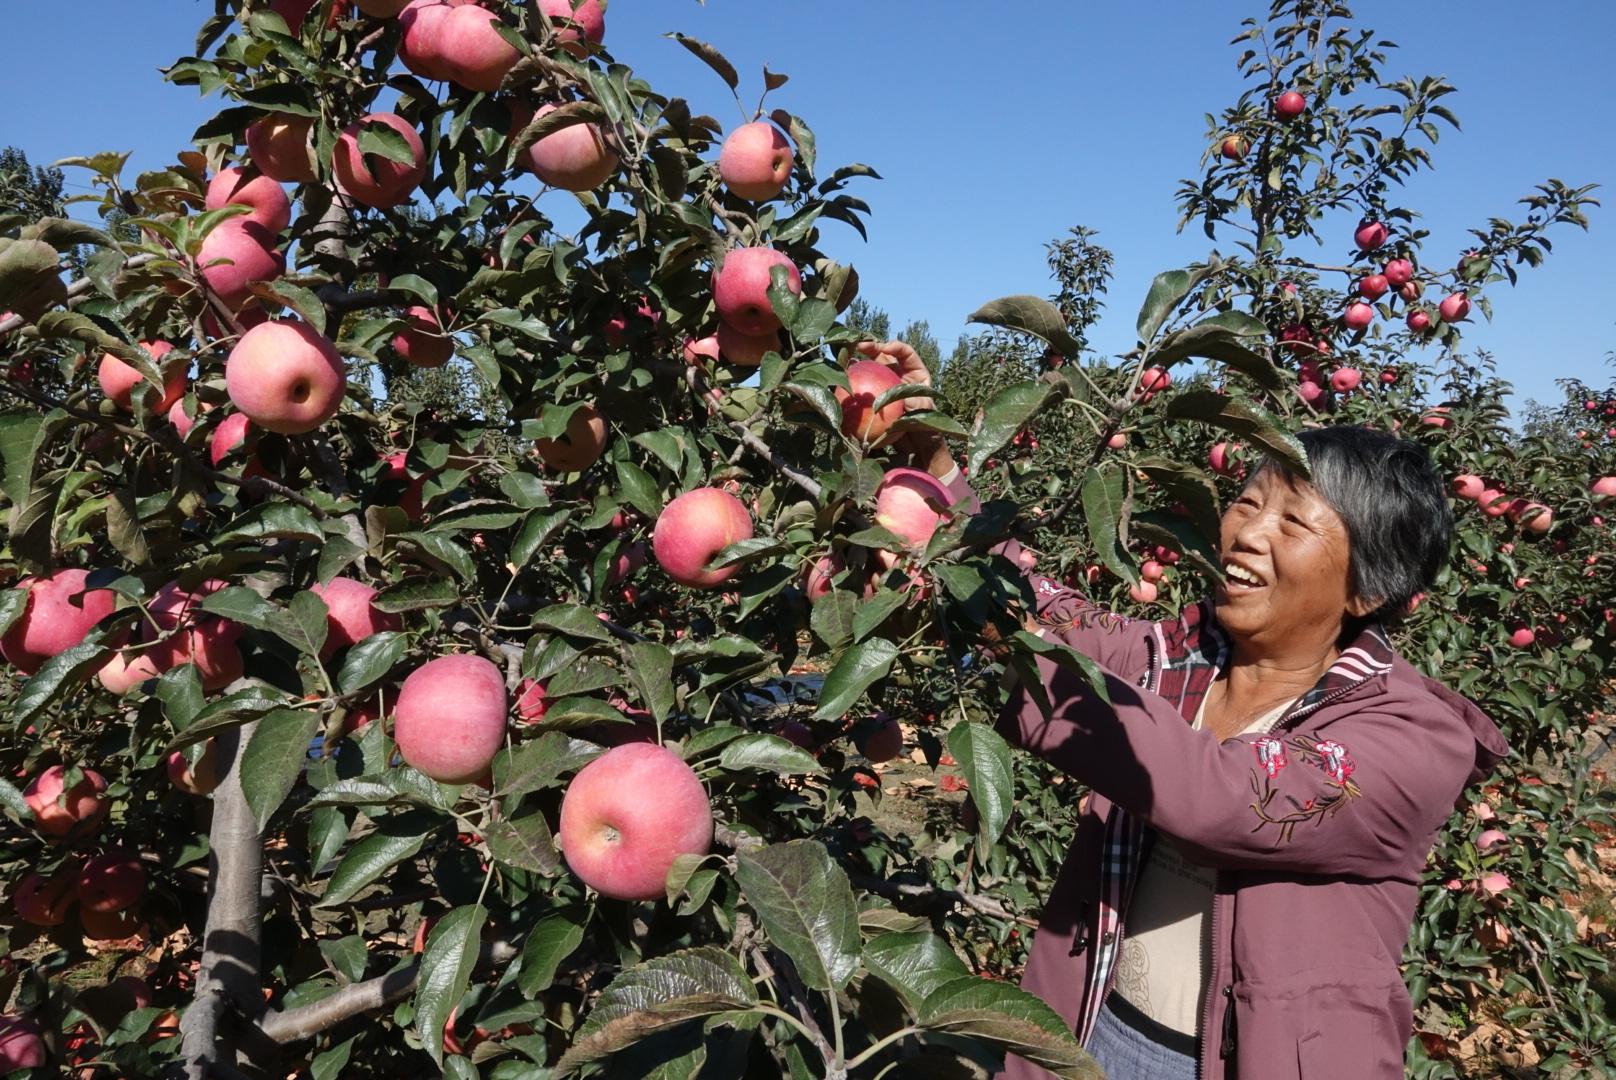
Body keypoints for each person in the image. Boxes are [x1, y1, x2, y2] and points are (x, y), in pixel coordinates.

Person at [856, 340, 1510, 1080]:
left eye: (1292, 524)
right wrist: (942, 480)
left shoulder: (1412, 740)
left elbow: (1225, 798)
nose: (1245, 534)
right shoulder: (1186, 654)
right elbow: (1061, 620)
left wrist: (1015, 654)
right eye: (1248, 501)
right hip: (1089, 1025)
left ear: (1368, 590)